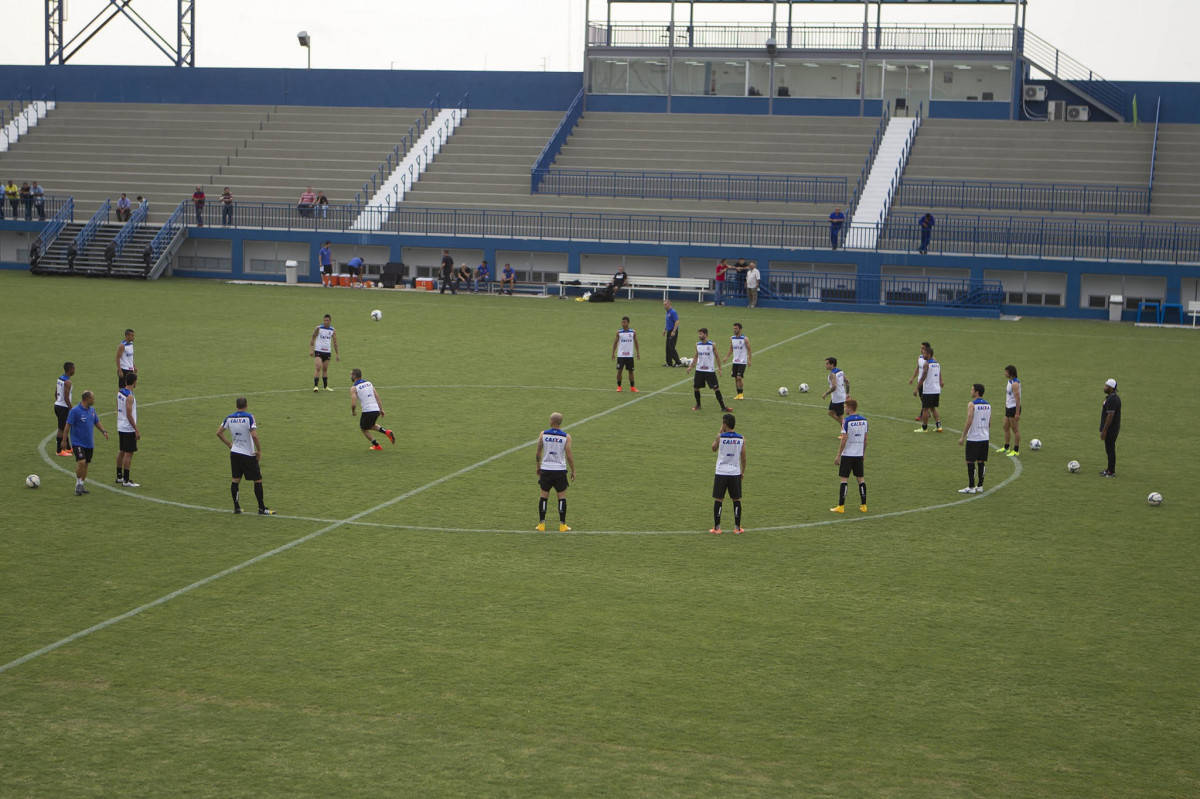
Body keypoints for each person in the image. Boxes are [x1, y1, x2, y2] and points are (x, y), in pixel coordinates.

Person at [215, 396, 275, 515]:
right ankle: (261, 508)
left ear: (236, 406)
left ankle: (237, 507)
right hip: (247, 454)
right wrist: (259, 450)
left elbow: (219, 432)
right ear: (246, 405)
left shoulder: (229, 417)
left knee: (236, 480)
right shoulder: (249, 417)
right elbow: (254, 435)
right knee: (257, 479)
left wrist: (229, 445)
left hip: (235, 453)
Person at [534, 412, 575, 532]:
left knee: (543, 496)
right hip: (560, 470)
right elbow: (569, 456)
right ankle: (562, 525)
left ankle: (541, 525)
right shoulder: (566, 437)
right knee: (561, 497)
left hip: (546, 469)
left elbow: (538, 453)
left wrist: (538, 467)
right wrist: (573, 470)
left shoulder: (543, 434)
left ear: (551, 421)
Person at [66, 390, 109, 495]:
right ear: (87, 399)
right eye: (92, 398)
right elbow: (68, 425)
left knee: (86, 464)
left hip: (89, 443)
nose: (94, 400)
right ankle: (78, 485)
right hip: (77, 442)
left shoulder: (92, 410)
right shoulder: (75, 411)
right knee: (81, 462)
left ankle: (82, 483)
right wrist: (64, 440)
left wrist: (103, 431)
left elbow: (96, 421)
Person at [709, 412, 746, 534]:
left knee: (719, 499)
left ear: (725, 424)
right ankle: (737, 528)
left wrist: (719, 433)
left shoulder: (721, 437)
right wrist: (742, 472)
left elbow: (713, 448)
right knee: (736, 499)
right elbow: (743, 457)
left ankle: (717, 528)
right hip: (735, 472)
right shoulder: (741, 438)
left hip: (721, 472)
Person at [831, 397, 869, 514]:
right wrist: (863, 453)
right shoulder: (864, 421)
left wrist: (838, 455)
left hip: (847, 455)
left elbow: (844, 439)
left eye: (846, 407)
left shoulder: (846, 421)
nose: (845, 409)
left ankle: (841, 506)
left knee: (844, 480)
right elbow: (865, 439)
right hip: (858, 455)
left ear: (850, 407)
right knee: (860, 480)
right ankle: (864, 505)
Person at [958, 383, 992, 493]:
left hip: (974, 438)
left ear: (977, 392)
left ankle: (971, 487)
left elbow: (969, 421)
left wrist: (963, 436)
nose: (971, 391)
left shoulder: (972, 405)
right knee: (981, 461)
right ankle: (980, 486)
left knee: (970, 461)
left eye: (972, 390)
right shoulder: (988, 405)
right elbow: (989, 423)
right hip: (985, 437)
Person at [686, 328, 731, 412]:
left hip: (709, 371)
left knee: (716, 388)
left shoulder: (712, 345)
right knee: (696, 388)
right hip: (699, 370)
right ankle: (698, 405)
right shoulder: (697, 345)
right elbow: (696, 357)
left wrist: (720, 369)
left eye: (701, 334)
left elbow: (717, 357)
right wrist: (690, 367)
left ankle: (723, 407)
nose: (699, 335)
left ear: (706, 334)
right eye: (699, 334)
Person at [350, 368, 395, 450]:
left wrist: (353, 411)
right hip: (376, 409)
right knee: (371, 425)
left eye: (351, 375)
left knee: (363, 428)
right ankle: (386, 432)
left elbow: (353, 404)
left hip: (367, 410)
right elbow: (377, 396)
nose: (350, 376)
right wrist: (381, 409)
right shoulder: (369, 383)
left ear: (354, 376)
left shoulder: (354, 387)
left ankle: (377, 445)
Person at [115, 372, 140, 487]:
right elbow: (129, 414)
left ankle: (119, 476)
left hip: (120, 425)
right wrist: (136, 429)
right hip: (128, 428)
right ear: (134, 382)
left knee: (122, 451)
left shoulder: (120, 393)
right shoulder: (130, 396)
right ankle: (126, 480)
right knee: (129, 453)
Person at [915, 345, 944, 433]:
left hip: (929, 390)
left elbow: (923, 377)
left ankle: (924, 428)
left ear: (928, 354)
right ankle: (939, 426)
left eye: (924, 353)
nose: (923, 355)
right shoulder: (937, 363)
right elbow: (939, 374)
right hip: (936, 390)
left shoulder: (927, 364)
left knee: (925, 409)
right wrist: (941, 382)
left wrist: (916, 388)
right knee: (933, 408)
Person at [310, 314, 340, 391]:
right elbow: (313, 337)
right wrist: (311, 349)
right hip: (318, 350)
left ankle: (325, 386)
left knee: (325, 368)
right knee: (318, 367)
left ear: (330, 321)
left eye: (327, 320)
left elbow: (335, 342)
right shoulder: (319, 328)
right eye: (325, 320)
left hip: (327, 351)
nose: (326, 322)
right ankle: (315, 386)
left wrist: (337, 354)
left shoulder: (332, 330)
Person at [611, 316, 640, 392]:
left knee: (631, 371)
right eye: (622, 322)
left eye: (624, 322)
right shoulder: (619, 332)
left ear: (628, 323)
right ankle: (619, 387)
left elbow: (636, 342)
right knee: (619, 371)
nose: (623, 324)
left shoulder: (633, 332)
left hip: (630, 355)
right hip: (621, 355)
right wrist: (613, 353)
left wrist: (638, 353)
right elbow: (615, 343)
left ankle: (632, 387)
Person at [1099, 378, 1121, 477]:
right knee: (1109, 449)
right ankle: (1109, 469)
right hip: (1112, 428)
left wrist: (1104, 430)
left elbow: (1110, 416)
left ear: (1111, 388)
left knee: (1110, 449)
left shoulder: (1112, 399)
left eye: (1106, 386)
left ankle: (1111, 472)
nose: (1104, 387)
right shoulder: (1112, 397)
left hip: (1111, 429)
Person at [998, 365, 1022, 456]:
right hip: (1008, 408)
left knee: (1015, 429)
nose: (1005, 373)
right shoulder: (1010, 381)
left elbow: (1018, 398)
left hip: (1013, 408)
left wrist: (1017, 412)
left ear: (1010, 373)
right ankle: (1006, 447)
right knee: (1005, 427)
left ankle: (1016, 450)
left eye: (1006, 372)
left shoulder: (1015, 384)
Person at [725, 322, 752, 400]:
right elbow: (731, 348)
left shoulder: (745, 339)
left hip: (742, 361)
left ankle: (741, 393)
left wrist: (749, 360)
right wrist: (726, 357)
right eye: (733, 329)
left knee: (739, 377)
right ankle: (738, 394)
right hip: (735, 361)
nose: (734, 330)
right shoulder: (732, 338)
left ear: (740, 329)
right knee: (736, 378)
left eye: (736, 329)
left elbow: (749, 349)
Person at [54, 361, 75, 457]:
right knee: (62, 429)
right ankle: (59, 451)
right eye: (73, 368)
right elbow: (66, 398)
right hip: (63, 407)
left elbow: (56, 393)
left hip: (58, 405)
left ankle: (67, 448)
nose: (74, 370)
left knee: (64, 427)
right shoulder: (68, 382)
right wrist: (72, 408)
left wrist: (59, 401)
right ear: (69, 369)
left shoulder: (60, 379)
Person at [822, 356, 849, 427]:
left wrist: (826, 393)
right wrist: (848, 393)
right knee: (830, 412)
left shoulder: (832, 374)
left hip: (838, 398)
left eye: (827, 363)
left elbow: (834, 387)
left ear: (832, 364)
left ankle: (845, 429)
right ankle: (843, 424)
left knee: (840, 416)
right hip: (837, 397)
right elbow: (847, 382)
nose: (825, 365)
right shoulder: (840, 371)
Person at [909, 341, 931, 423]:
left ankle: (922, 415)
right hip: (920, 381)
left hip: (926, 382)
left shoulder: (931, 360)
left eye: (923, 348)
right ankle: (927, 412)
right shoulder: (920, 357)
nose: (921, 349)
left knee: (924, 399)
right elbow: (918, 368)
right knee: (922, 398)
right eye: (921, 348)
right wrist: (913, 377)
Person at [663, 299, 682, 367]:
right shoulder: (668, 312)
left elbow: (677, 321)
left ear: (669, 304)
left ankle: (678, 362)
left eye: (665, 304)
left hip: (673, 331)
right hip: (669, 331)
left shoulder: (673, 312)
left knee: (671, 347)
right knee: (667, 347)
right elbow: (668, 322)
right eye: (664, 305)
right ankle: (669, 362)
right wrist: (665, 329)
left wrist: (674, 331)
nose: (664, 306)